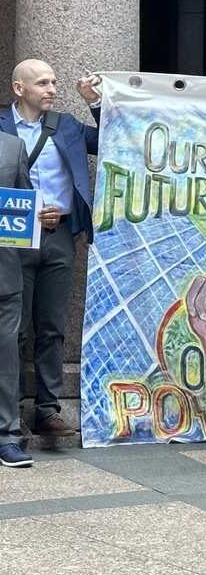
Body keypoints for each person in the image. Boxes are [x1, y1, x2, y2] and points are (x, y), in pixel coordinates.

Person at [0, 60, 102, 439]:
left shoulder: (68, 126)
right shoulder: (1, 128)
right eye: (42, 83)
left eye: (55, 82)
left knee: (53, 326)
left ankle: (47, 410)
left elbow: (115, 139)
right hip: (12, 239)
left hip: (59, 236)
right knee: (14, 330)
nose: (52, 89)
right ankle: (11, 414)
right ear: (18, 88)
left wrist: (95, 102)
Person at [0, 131, 33, 467]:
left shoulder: (13, 147)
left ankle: (7, 436)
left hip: (5, 275)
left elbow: (22, 205)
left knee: (6, 359)